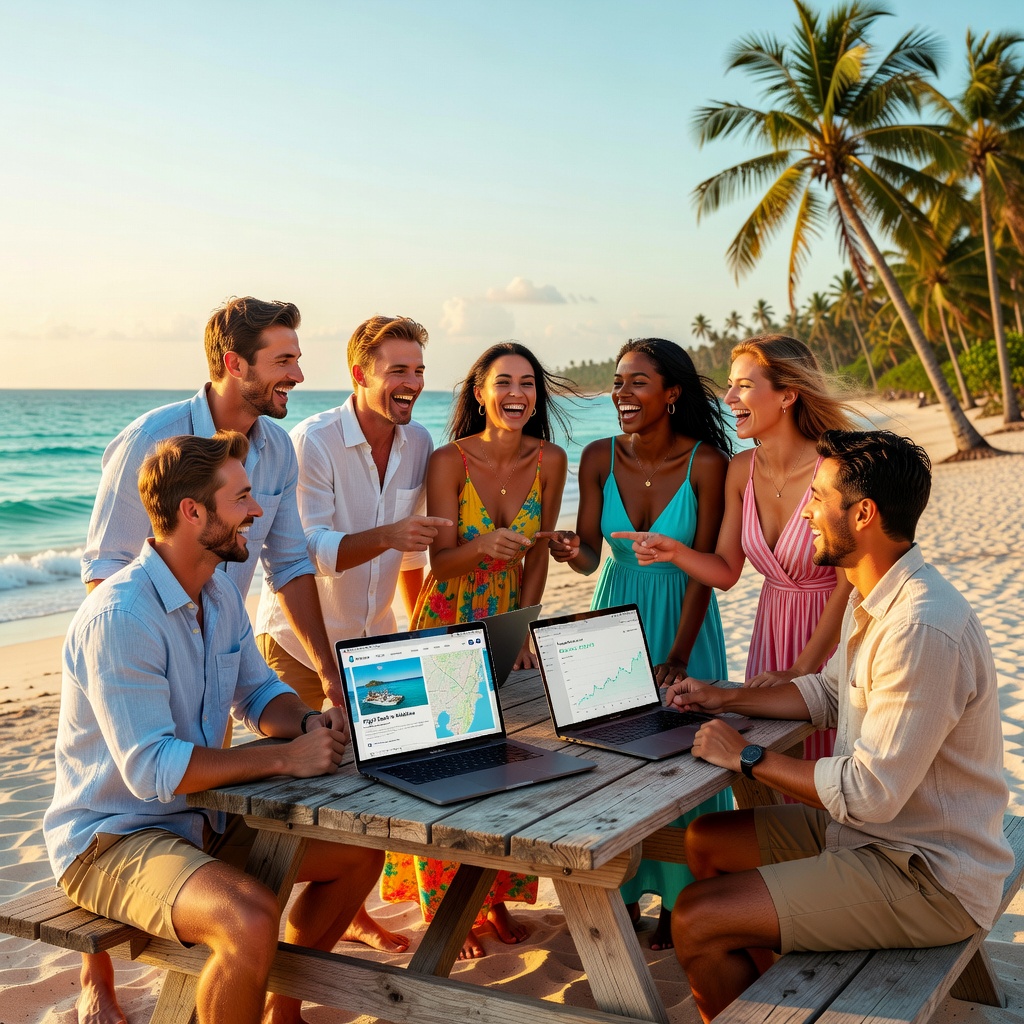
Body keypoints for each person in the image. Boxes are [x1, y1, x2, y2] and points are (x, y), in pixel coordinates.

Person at [664, 430, 1013, 1023]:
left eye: (818, 497)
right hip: (884, 837)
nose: (805, 511)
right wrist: (721, 696)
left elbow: (870, 793)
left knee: (696, 917)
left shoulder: (920, 628)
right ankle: (770, 997)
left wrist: (746, 756)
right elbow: (830, 694)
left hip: (928, 873)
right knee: (708, 843)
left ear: (864, 513)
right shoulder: (872, 592)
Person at [45, 432, 386, 1024]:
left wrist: (309, 723)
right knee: (248, 919)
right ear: (192, 512)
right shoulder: (122, 617)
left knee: (360, 855)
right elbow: (153, 768)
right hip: (111, 839)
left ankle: (284, 1012)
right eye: (243, 499)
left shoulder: (220, 593)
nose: (257, 511)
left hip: (201, 818)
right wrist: (284, 759)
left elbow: (257, 693)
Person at [254, 313, 449, 952]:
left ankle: (346, 910)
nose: (413, 382)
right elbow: (307, 549)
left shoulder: (418, 442)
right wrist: (388, 537)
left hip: (374, 644)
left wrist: (418, 637)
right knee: (302, 805)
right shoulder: (314, 441)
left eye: (418, 370)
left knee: (369, 795)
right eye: (399, 370)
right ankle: (273, 943)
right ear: (360, 374)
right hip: (297, 647)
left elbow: (415, 558)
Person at [380, 341, 572, 959]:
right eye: (504, 382)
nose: (517, 394)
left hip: (506, 617)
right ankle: (447, 909)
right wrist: (487, 545)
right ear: (481, 393)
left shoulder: (551, 458)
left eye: (527, 384)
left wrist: (523, 626)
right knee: (449, 763)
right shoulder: (448, 460)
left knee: (502, 761)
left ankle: (494, 897)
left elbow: (539, 551)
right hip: (447, 615)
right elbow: (442, 560)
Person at [544, 337, 732, 949]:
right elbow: (594, 554)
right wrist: (575, 551)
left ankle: (682, 902)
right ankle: (619, 893)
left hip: (686, 616)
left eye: (638, 382)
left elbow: (704, 566)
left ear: (672, 394)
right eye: (618, 382)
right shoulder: (597, 456)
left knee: (687, 759)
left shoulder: (707, 463)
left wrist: (679, 654)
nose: (622, 393)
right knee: (614, 755)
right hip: (615, 610)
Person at [614, 336, 857, 773]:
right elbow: (725, 572)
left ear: (787, 394)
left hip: (831, 636)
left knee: (827, 766)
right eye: (730, 386)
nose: (729, 398)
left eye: (743, 386)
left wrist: (803, 670)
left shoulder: (837, 468)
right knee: (767, 771)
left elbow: (848, 583)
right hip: (772, 631)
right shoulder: (741, 469)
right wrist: (675, 552)